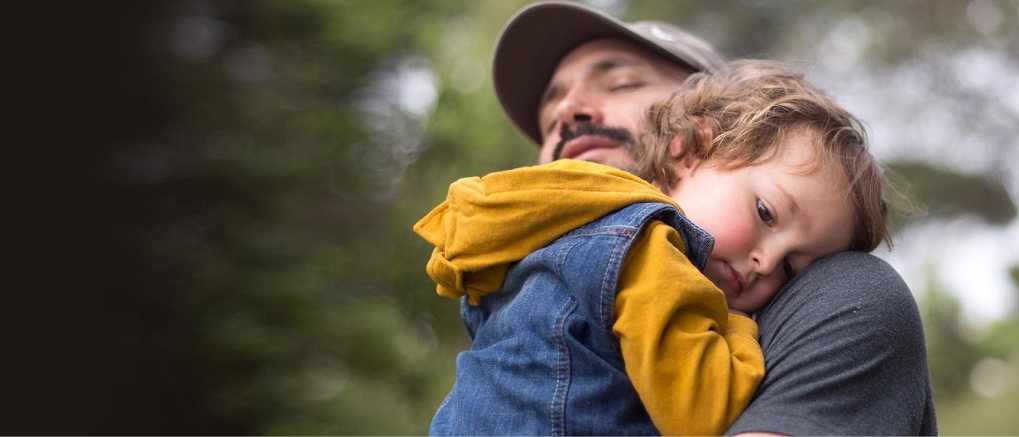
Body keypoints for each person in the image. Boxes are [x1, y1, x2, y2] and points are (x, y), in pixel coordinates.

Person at [486, 2, 937, 435]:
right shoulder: (510, 295)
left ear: (698, 125)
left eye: (620, 83)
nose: (565, 111)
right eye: (549, 119)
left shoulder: (837, 299)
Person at [416, 60, 892, 436]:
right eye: (765, 213)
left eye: (791, 269)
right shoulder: (651, 251)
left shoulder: (557, 237)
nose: (766, 263)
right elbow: (702, 413)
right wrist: (738, 328)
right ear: (689, 147)